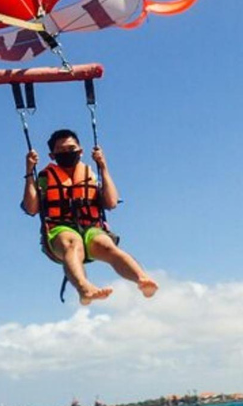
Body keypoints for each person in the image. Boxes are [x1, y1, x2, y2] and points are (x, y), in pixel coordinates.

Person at [21, 129, 158, 305]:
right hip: (59, 229)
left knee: (107, 246)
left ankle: (142, 279)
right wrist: (29, 171)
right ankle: (84, 288)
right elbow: (32, 209)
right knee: (72, 243)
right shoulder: (45, 178)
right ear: (52, 156)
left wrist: (103, 166)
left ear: (81, 151)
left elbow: (111, 203)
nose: (67, 153)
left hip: (91, 228)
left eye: (71, 148)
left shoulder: (90, 174)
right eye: (61, 151)